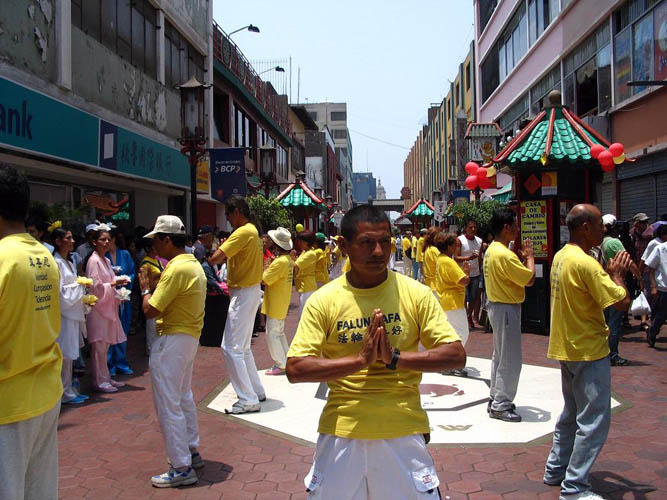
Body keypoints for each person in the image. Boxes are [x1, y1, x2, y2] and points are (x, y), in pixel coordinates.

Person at [286, 205, 466, 499]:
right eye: (367, 243)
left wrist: (394, 359)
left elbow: (455, 354)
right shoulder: (324, 300)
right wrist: (359, 361)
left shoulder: (416, 293)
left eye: (385, 241)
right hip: (342, 432)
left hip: (403, 429)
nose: (379, 252)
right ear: (344, 246)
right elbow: (295, 368)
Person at [543, 204, 631, 500]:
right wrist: (618, 276)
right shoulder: (586, 263)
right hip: (588, 350)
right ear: (584, 227)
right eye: (598, 224)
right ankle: (575, 486)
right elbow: (621, 302)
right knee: (593, 420)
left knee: (572, 413)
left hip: (567, 347)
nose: (603, 230)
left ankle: (556, 469)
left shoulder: (562, 256)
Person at [0, 165, 62, 500]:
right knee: (39, 489)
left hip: (9, 403)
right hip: (45, 392)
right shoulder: (43, 255)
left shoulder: (3, 258)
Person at [139, 215, 206, 488]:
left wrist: (145, 289)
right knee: (182, 397)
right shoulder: (193, 264)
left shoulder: (176, 267)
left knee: (169, 403)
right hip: (187, 338)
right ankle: (190, 450)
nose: (154, 246)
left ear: (166, 240)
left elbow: (150, 310)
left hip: (173, 339)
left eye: (156, 240)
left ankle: (181, 466)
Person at [210, 195, 265, 414]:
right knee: (242, 348)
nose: (227, 218)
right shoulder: (253, 231)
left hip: (243, 293)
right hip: (249, 291)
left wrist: (215, 249)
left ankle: (248, 398)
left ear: (237, 212)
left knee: (231, 348)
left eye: (228, 214)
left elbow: (216, 258)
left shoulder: (242, 232)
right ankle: (255, 391)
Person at [483, 207, 535, 422]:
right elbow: (529, 278)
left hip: (497, 306)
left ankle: (496, 396)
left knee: (500, 355)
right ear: (506, 227)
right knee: (510, 359)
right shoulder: (504, 254)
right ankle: (501, 403)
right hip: (506, 307)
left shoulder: (493, 250)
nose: (517, 229)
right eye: (515, 225)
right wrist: (530, 258)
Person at [85, 224, 129, 393]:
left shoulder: (106, 260)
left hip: (108, 306)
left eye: (108, 240)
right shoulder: (94, 261)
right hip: (98, 308)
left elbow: (108, 281)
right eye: (102, 240)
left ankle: (106, 377)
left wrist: (117, 285)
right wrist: (114, 283)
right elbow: (95, 287)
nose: (106, 243)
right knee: (99, 346)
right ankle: (99, 381)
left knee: (105, 346)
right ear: (94, 242)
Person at [52, 226, 90, 404]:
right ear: (58, 241)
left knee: (69, 355)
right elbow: (60, 292)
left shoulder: (69, 262)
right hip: (64, 313)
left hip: (72, 311)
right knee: (64, 353)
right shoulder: (56, 263)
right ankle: (63, 392)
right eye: (68, 238)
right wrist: (79, 285)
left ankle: (67, 389)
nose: (72, 241)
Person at [599, 215, 642, 366]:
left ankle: (603, 352)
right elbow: (629, 262)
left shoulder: (600, 242)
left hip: (602, 286)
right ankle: (613, 355)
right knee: (614, 322)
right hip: (615, 285)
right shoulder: (614, 242)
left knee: (605, 322)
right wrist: (639, 278)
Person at [434, 232, 471, 377]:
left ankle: (447, 362)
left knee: (452, 333)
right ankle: (452, 361)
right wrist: (466, 272)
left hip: (446, 300)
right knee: (462, 332)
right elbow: (463, 280)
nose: (457, 247)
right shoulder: (448, 262)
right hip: (453, 301)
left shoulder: (441, 259)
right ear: (449, 246)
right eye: (456, 245)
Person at [262, 227, 295, 375]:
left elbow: (265, 279)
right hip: (282, 300)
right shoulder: (287, 260)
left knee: (272, 334)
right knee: (279, 332)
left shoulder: (279, 262)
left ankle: (280, 363)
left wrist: (266, 267)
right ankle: (285, 360)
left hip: (276, 302)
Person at [106, 227, 136, 375]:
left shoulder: (125, 254)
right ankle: (109, 364)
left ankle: (121, 362)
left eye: (109, 239)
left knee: (122, 329)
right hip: (109, 298)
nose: (107, 242)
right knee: (109, 330)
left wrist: (127, 280)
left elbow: (132, 272)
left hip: (123, 297)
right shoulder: (103, 256)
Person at [455, 220, 483, 329]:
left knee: (474, 297)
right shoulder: (460, 240)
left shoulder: (479, 241)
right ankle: (465, 317)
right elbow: (456, 257)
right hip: (462, 274)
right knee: (464, 296)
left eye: (475, 227)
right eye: (470, 227)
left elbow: (479, 258)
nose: (473, 229)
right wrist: (469, 258)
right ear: (466, 228)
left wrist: (480, 270)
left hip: (475, 273)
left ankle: (468, 315)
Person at [140, 238, 164, 355]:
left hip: (160, 296)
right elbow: (145, 281)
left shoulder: (157, 261)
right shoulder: (146, 263)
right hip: (152, 296)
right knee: (151, 325)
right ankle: (151, 350)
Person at [645, 239, 667, 347]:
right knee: (662, 314)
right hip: (664, 288)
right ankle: (652, 331)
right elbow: (651, 268)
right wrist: (653, 286)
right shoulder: (660, 248)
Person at [294, 231, 319, 314]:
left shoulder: (310, 254)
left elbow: (296, 265)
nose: (299, 243)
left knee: (304, 313)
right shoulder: (305, 252)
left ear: (308, 242)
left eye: (302, 241)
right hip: (303, 286)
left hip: (307, 286)